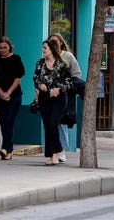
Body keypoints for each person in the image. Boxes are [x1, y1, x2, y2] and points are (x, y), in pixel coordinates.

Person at [34, 38, 72, 165]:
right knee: (47, 125)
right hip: (44, 98)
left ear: (52, 49)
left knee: (53, 123)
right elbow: (35, 78)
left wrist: (58, 89)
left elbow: (68, 82)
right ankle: (51, 154)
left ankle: (56, 152)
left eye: (45, 48)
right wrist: (40, 85)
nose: (43, 50)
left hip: (59, 99)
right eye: (42, 48)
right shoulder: (40, 63)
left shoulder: (62, 64)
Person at [0, 36, 25, 161]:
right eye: (0, 48)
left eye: (5, 47)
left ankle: (5, 147)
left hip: (14, 95)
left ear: (9, 47)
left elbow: (18, 77)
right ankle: (8, 151)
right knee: (3, 122)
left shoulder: (16, 59)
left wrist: (8, 92)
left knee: (9, 120)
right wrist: (1, 93)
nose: (3, 50)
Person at [49, 33, 82, 163]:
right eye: (50, 42)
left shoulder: (68, 57)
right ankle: (53, 151)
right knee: (51, 123)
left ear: (61, 43)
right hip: (50, 95)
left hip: (64, 95)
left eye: (55, 42)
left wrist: (65, 86)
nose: (53, 44)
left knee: (61, 123)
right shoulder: (47, 57)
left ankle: (61, 149)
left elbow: (76, 74)